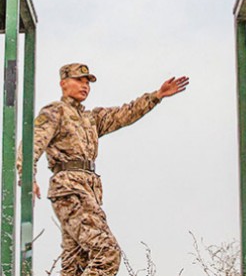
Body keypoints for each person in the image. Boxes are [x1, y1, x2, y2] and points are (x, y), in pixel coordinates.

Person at [17, 63, 189, 276]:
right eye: (79, 80)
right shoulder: (55, 112)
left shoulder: (91, 119)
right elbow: (31, 144)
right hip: (70, 190)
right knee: (107, 252)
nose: (85, 85)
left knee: (76, 264)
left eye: (87, 82)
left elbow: (124, 113)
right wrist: (27, 177)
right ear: (63, 83)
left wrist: (157, 95)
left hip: (89, 189)